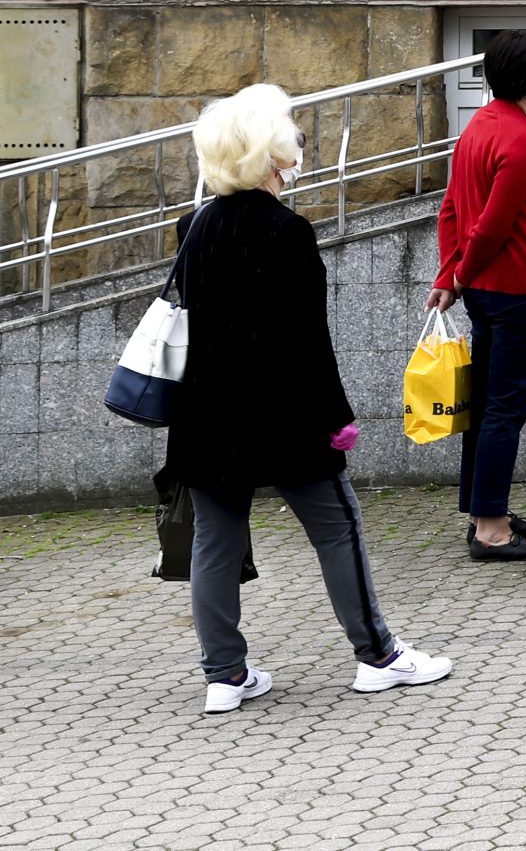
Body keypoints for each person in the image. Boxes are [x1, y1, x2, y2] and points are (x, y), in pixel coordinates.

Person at [168, 83, 451, 714]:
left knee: (216, 541)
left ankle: (224, 675)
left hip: (208, 414)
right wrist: (336, 421)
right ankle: (378, 656)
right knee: (337, 528)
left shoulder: (194, 226)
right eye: (287, 135)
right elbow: (306, 341)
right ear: (272, 156)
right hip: (283, 415)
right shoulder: (286, 230)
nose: (295, 142)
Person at [428, 29, 526, 562]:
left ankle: (485, 510)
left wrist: (450, 277)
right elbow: (490, 225)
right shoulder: (520, 141)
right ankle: (491, 530)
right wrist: (461, 272)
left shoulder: (479, 129)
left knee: (488, 405)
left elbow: (451, 210)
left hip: (493, 292)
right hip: (519, 291)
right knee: (506, 408)